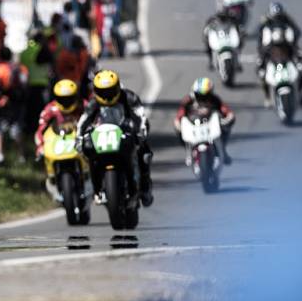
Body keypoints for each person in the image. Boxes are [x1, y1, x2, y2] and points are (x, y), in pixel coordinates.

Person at [76, 70, 154, 207]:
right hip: (102, 137)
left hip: (126, 133)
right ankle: (97, 190)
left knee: (144, 153)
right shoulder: (93, 103)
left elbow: (141, 116)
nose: (106, 96)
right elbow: (83, 121)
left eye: (110, 91)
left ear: (117, 87)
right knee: (89, 153)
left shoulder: (129, 97)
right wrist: (79, 138)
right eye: (102, 91)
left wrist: (141, 131)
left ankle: (145, 187)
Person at [173, 78, 236, 165]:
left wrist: (229, 118)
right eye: (199, 96)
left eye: (206, 96)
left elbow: (226, 111)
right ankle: (188, 152)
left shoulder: (215, 99)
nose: (203, 99)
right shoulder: (188, 100)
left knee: (225, 129)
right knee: (178, 130)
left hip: (210, 125)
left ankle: (222, 150)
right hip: (193, 126)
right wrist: (178, 124)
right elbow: (180, 114)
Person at [256, 2, 302, 107]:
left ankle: (301, 94)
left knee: (300, 66)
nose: (277, 18)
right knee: (261, 69)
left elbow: (297, 31)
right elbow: (259, 33)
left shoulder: (287, 19)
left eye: (279, 16)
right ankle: (267, 97)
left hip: (287, 46)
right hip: (271, 47)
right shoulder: (266, 21)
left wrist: (292, 39)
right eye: (276, 16)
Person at [0, 46, 28, 163]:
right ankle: (21, 156)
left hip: (3, 103)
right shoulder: (22, 68)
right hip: (18, 103)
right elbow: (26, 86)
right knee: (16, 128)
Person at [34, 79, 86, 158]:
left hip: (80, 142)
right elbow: (40, 130)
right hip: (57, 144)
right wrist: (40, 146)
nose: (66, 102)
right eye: (62, 99)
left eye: (69, 98)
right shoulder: (50, 109)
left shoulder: (83, 105)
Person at [20, 30, 53, 137]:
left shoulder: (24, 52)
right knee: (43, 110)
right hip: (42, 84)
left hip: (29, 84)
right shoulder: (43, 50)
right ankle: (43, 130)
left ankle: (29, 130)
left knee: (30, 110)